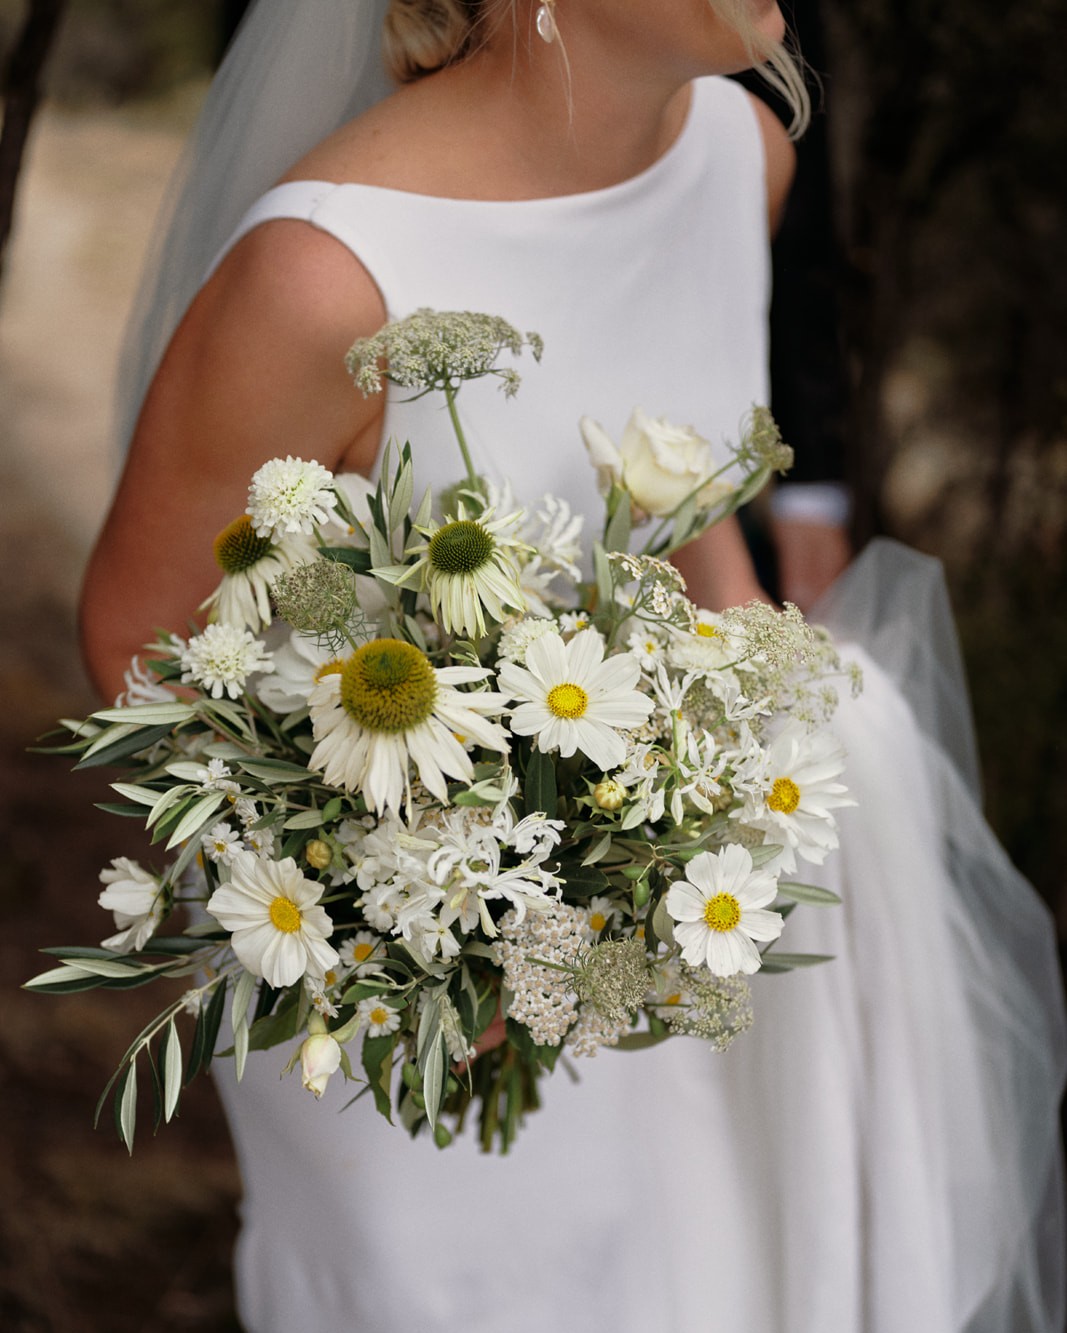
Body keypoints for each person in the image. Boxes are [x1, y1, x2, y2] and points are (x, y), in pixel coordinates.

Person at [77, 2, 1065, 1330]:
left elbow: (683, 485)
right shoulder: (326, 276)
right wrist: (398, 942)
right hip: (404, 982)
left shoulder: (739, 154)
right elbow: (141, 637)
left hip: (660, 934)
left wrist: (749, 716)